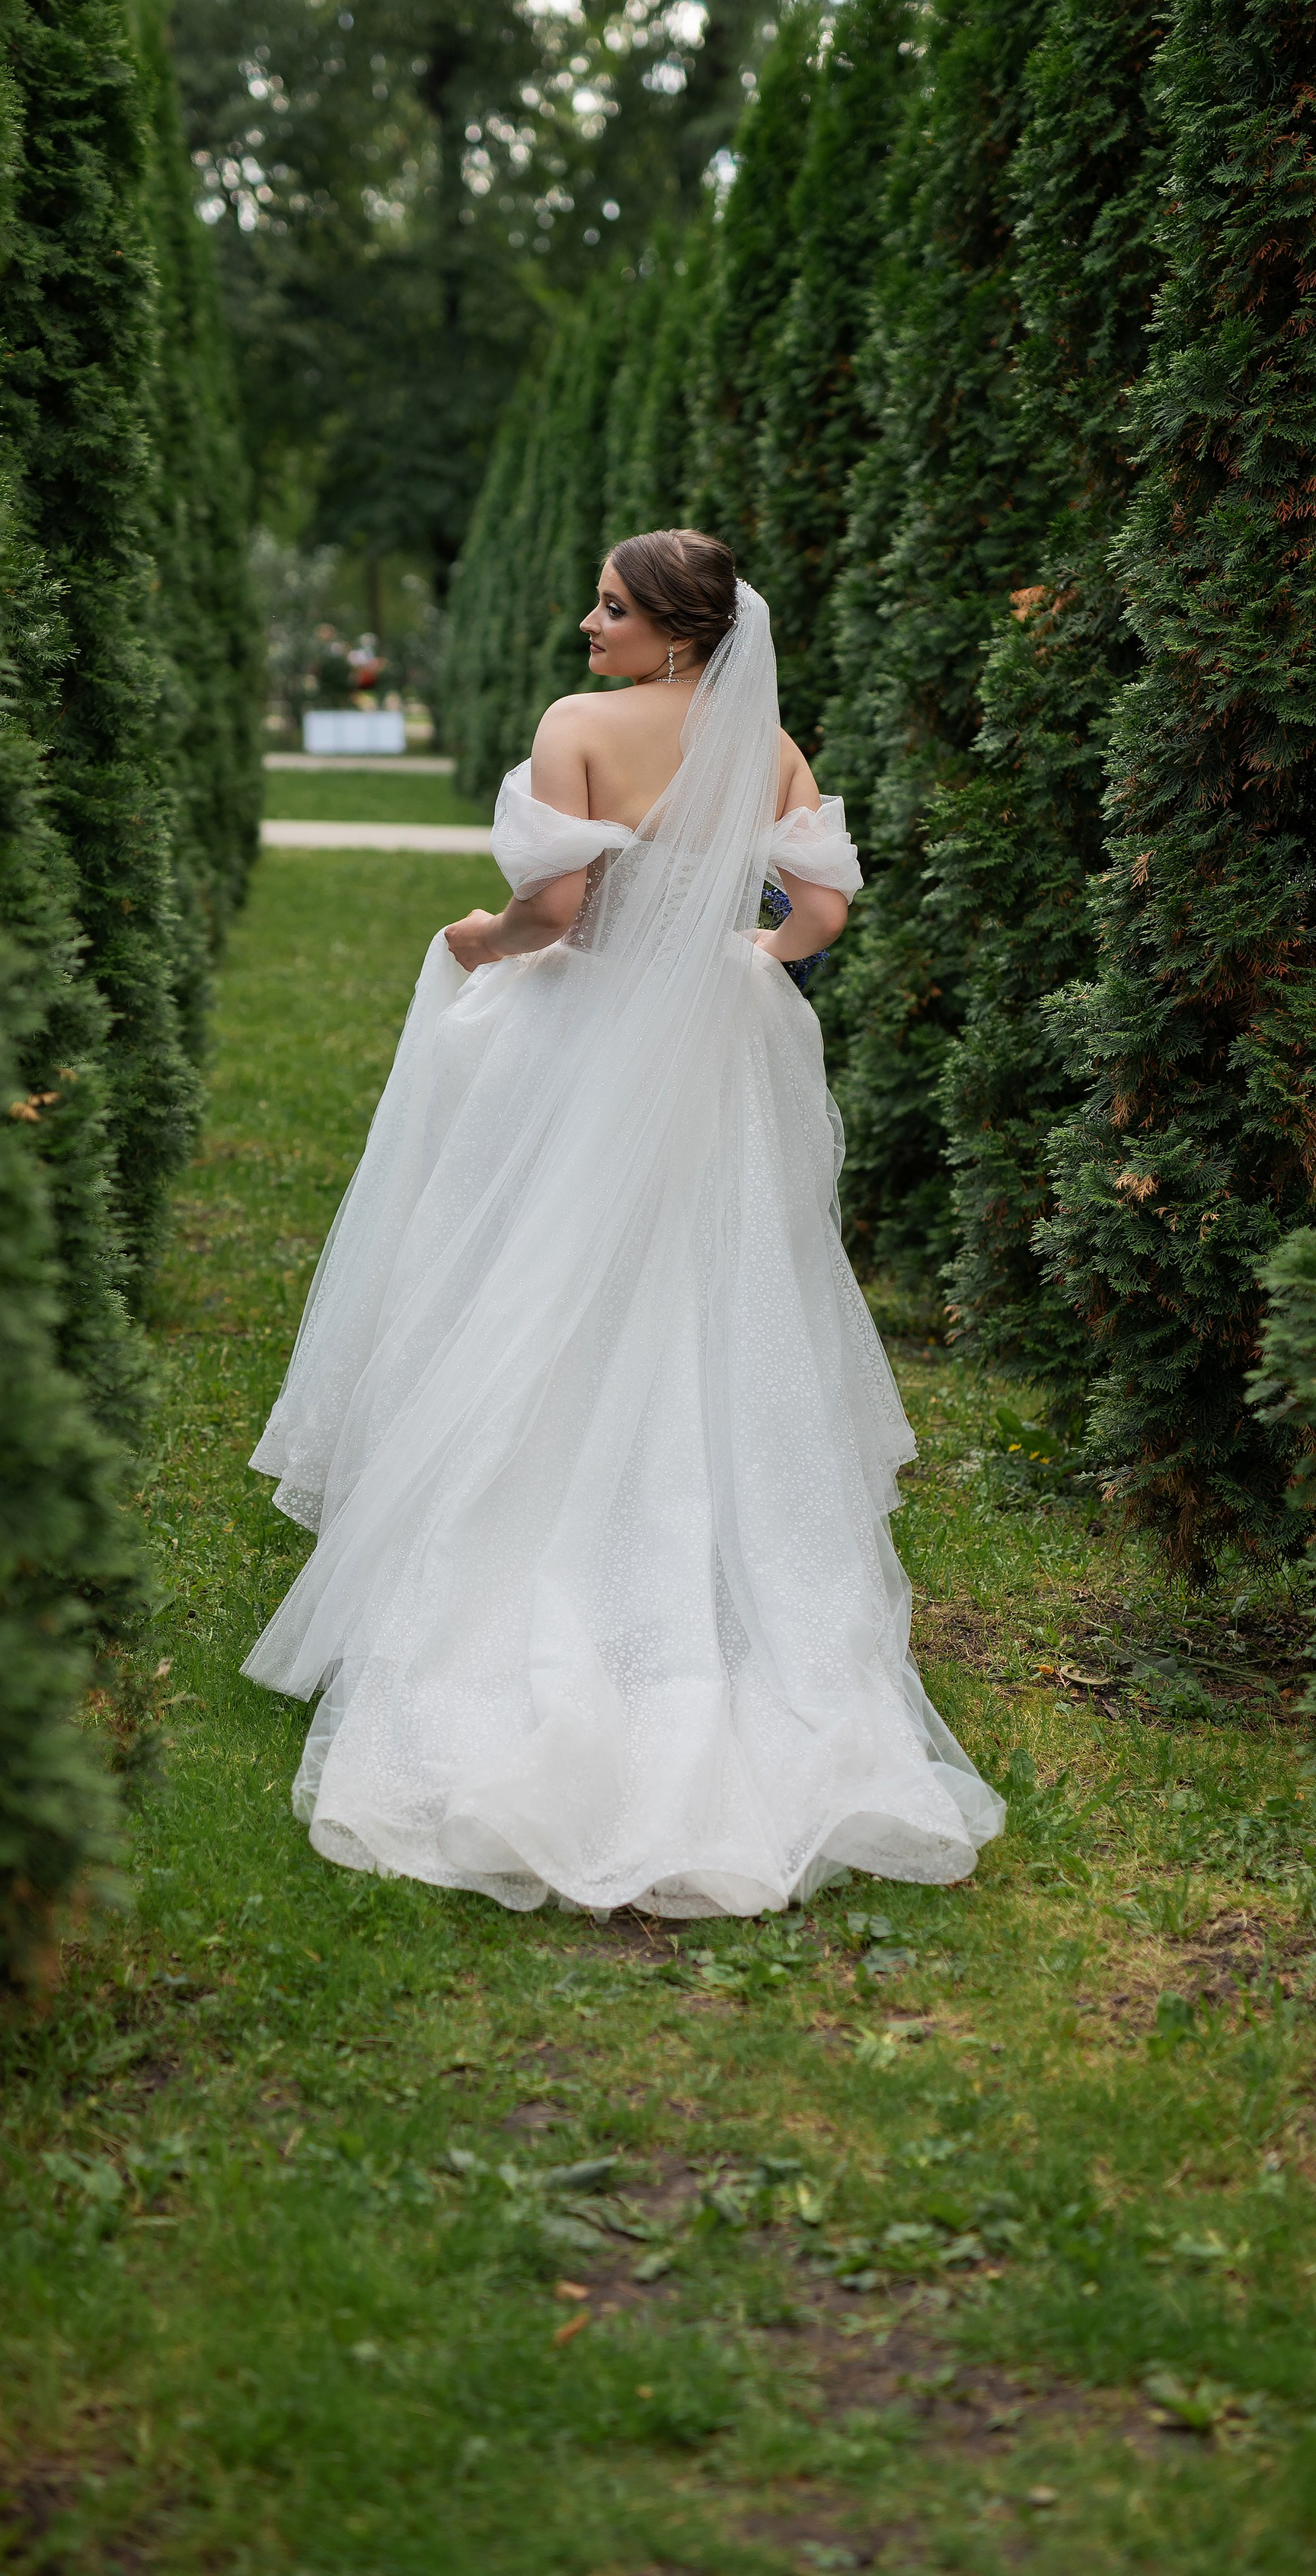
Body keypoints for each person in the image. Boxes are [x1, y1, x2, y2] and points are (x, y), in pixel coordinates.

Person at [243, 529, 1003, 1916]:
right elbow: (823, 912)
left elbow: (556, 909)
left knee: (532, 1269)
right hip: (714, 1045)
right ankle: (705, 1559)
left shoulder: (577, 728)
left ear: (680, 632)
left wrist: (475, 942)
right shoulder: (769, 748)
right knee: (705, 1282)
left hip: (585, 1038)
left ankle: (519, 1538)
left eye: (614, 608)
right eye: (596, 604)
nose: (589, 626)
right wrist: (742, 956)